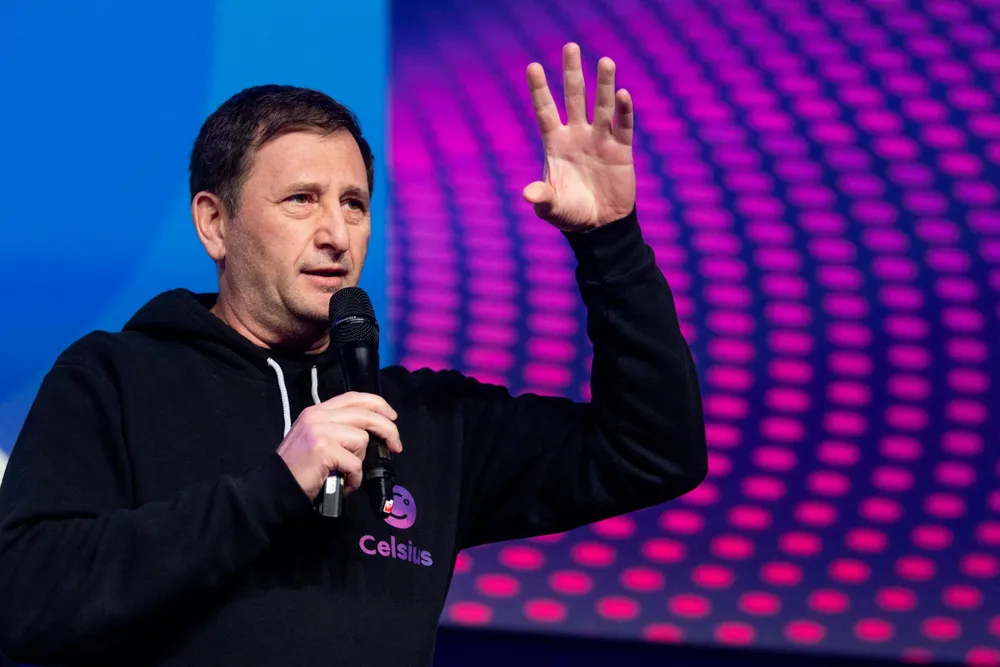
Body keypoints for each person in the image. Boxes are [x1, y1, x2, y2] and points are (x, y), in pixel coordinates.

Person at [0, 43, 706, 667]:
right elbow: (28, 599)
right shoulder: (116, 379)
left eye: (355, 204)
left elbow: (653, 451)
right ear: (215, 224)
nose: (337, 233)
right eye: (301, 200)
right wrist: (274, 489)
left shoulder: (428, 421)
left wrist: (610, 242)